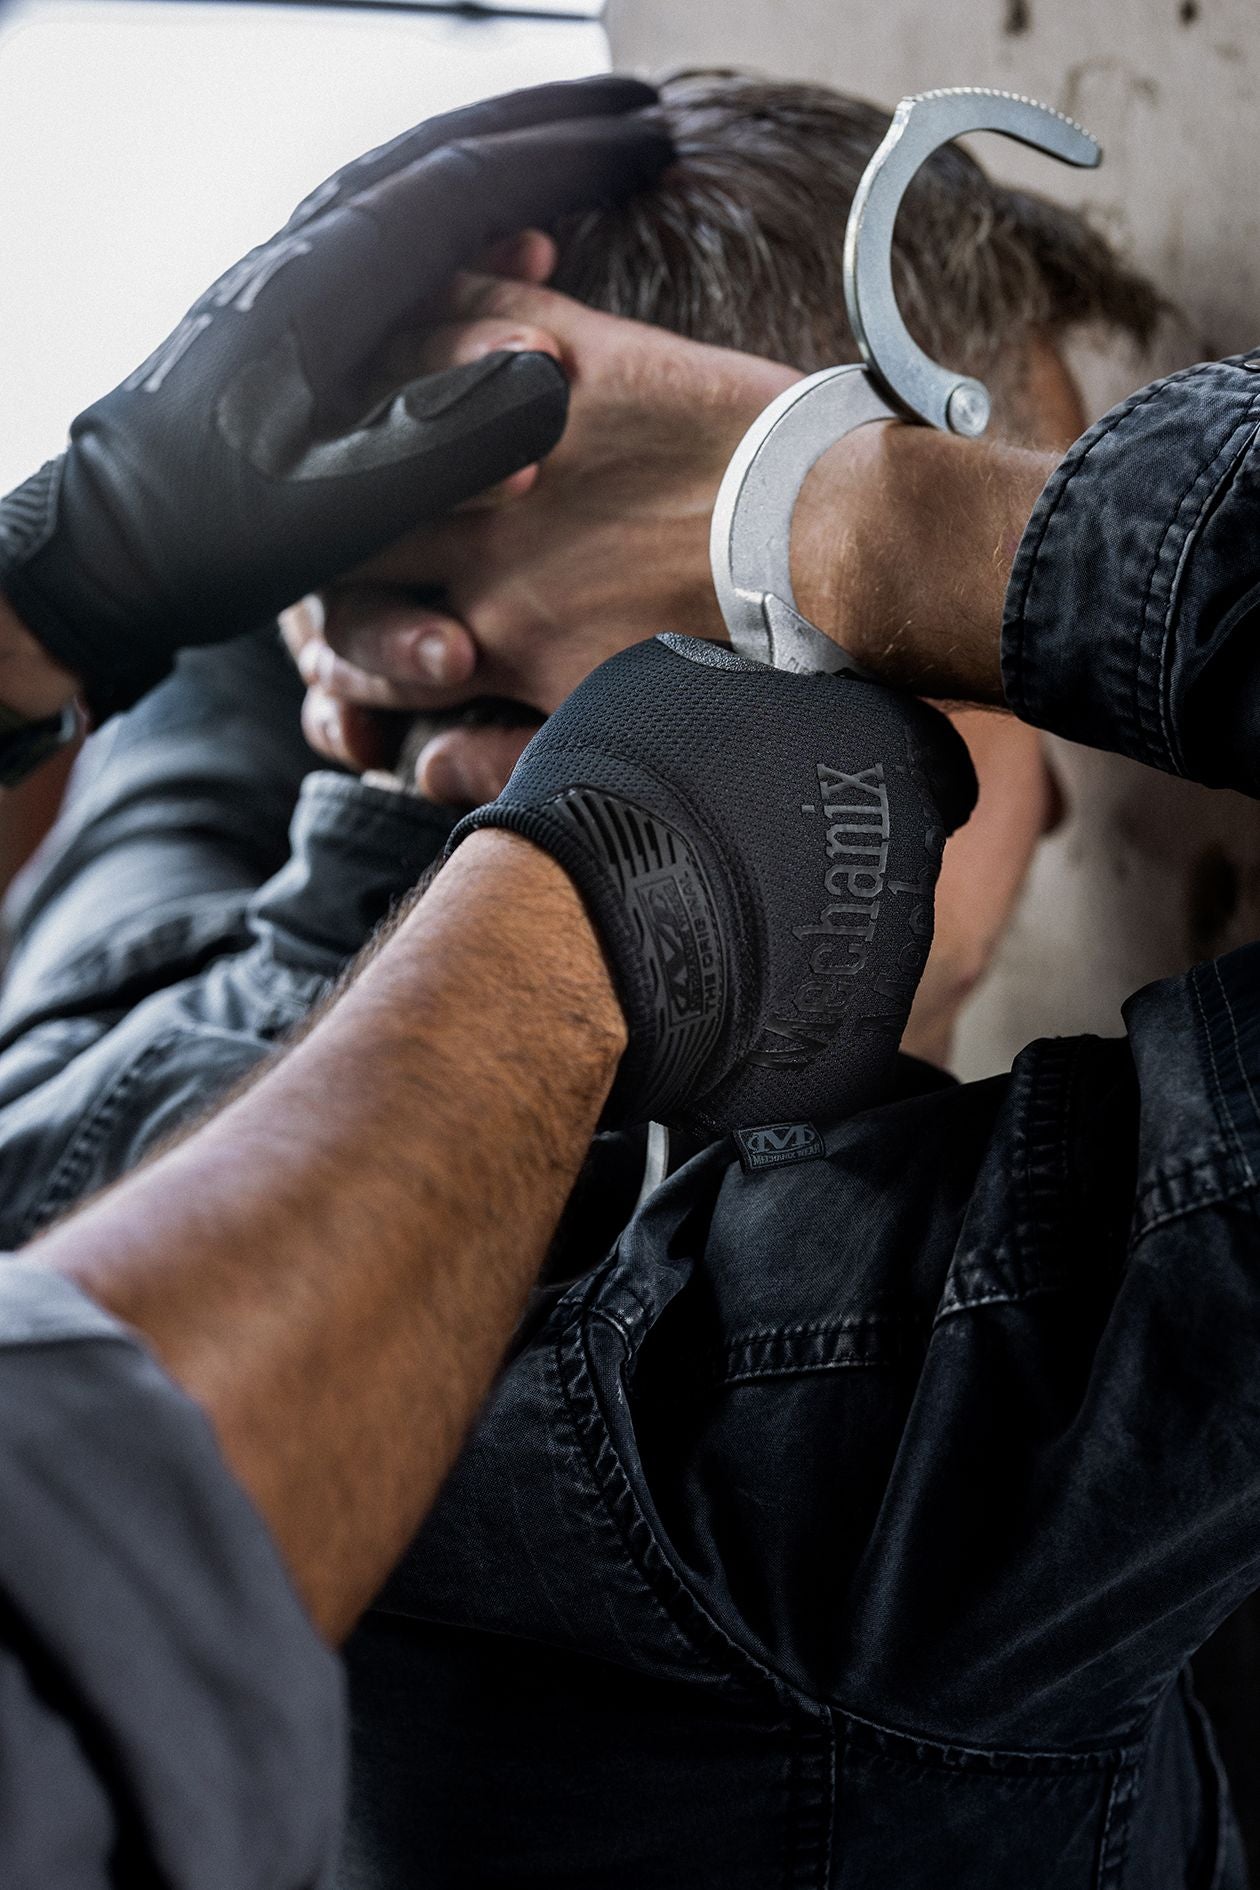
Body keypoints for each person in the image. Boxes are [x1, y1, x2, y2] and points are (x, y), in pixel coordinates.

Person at [0, 72, 1253, 1890]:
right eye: (992, 658)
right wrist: (853, 515)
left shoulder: (88, 1038)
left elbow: (217, 695)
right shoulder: (877, 1401)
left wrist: (86, 574)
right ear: (776, 692)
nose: (1061, 800)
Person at [0, 75, 730, 1887]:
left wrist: (64, 584)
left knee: (211, 717)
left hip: (139, 1009)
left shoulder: (71, 1078)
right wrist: (929, 534)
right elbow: (79, 1566)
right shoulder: (839, 1365)